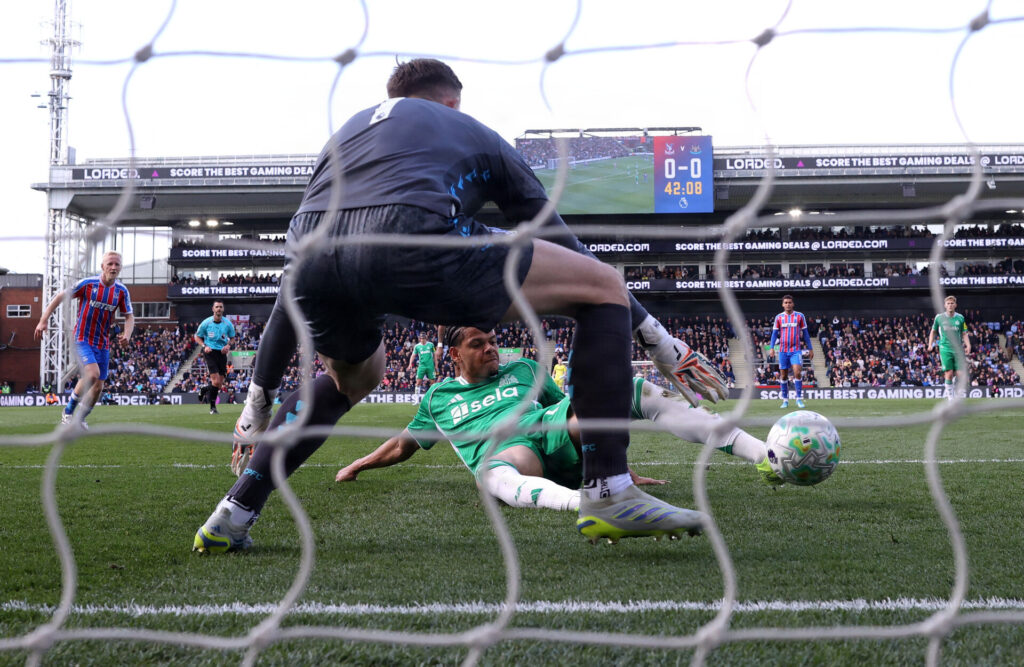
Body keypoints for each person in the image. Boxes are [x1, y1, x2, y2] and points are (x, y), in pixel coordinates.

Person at [194, 58, 725, 555]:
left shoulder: (344, 140)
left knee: (349, 381)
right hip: (416, 236)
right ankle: (609, 491)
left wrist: (257, 402)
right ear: (451, 104)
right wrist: (655, 336)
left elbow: (293, 280)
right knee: (603, 287)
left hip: (312, 257)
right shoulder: (471, 132)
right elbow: (557, 239)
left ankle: (236, 511)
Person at [335, 327, 774, 515]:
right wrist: (358, 465)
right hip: (514, 454)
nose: (491, 348)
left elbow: (572, 408)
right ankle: (585, 504)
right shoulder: (438, 398)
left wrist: (613, 462)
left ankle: (765, 454)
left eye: (492, 341)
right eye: (478, 344)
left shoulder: (524, 370)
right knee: (491, 473)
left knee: (631, 389)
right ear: (455, 354)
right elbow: (402, 445)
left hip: (552, 432)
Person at [34, 251, 134, 428]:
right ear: (102, 266)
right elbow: (59, 297)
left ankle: (80, 418)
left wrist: (127, 335)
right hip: (82, 338)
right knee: (92, 374)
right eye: (110, 263)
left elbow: (129, 316)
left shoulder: (121, 291)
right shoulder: (88, 284)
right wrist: (43, 321)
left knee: (98, 388)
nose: (113, 267)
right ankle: (68, 412)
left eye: (117, 264)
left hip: (103, 343)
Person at [770, 294, 813, 409]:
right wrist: (771, 348)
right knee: (783, 376)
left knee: (797, 372)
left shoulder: (799, 316)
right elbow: (774, 334)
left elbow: (806, 333)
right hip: (783, 351)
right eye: (786, 303)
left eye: (790, 302)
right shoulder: (779, 317)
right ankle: (785, 400)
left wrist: (810, 348)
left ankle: (799, 399)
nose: (788, 304)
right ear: (782, 304)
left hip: (796, 350)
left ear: (793, 304)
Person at [194, 300, 235, 415]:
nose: (218, 309)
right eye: (216, 307)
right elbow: (197, 337)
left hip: (222, 353)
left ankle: (204, 389)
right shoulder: (206, 323)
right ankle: (213, 408)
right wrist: (204, 346)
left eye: (220, 307)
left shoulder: (228, 324)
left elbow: (232, 338)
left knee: (219, 384)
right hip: (210, 352)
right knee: (216, 381)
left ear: (223, 309)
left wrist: (228, 345)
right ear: (213, 309)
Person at [926, 295, 971, 402]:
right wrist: (930, 344)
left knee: (960, 375)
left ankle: (954, 389)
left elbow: (964, 333)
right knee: (949, 373)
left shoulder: (960, 318)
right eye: (948, 303)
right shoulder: (939, 317)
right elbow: (933, 331)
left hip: (958, 349)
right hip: (945, 348)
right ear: (945, 305)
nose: (950, 305)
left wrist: (968, 345)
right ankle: (951, 399)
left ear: (955, 305)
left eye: (952, 303)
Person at [407, 331, 438, 395]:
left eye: (423, 338)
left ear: (426, 338)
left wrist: (436, 365)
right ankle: (416, 399)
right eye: (421, 338)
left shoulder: (431, 345)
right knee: (418, 382)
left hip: (430, 366)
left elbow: (435, 355)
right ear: (419, 339)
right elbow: (413, 355)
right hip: (421, 366)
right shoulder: (417, 346)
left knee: (433, 382)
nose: (422, 340)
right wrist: (410, 364)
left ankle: (433, 397)